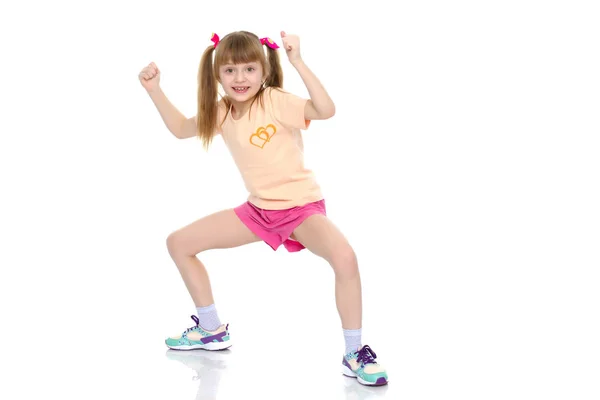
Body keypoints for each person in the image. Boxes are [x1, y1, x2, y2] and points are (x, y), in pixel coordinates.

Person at [138, 30, 388, 386]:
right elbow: (180, 128)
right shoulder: (222, 111)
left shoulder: (274, 100)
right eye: (230, 71)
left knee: (345, 257)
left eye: (249, 69)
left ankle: (354, 353)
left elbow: (325, 110)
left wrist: (298, 61)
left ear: (264, 71)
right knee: (178, 242)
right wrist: (154, 90)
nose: (240, 78)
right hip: (258, 212)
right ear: (217, 75)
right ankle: (210, 330)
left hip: (300, 209)